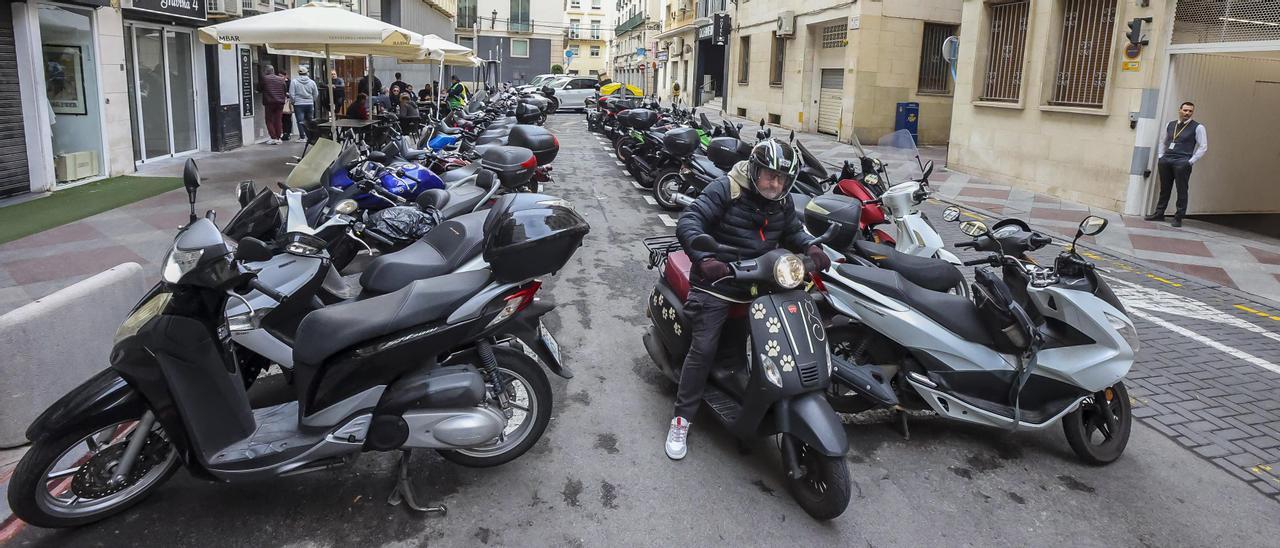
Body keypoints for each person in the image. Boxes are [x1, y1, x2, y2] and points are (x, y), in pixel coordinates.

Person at [664, 139, 830, 460]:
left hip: (762, 283)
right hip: (719, 281)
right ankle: (682, 418)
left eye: (782, 178)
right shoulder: (727, 188)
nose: (775, 183)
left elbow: (793, 231)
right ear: (755, 170)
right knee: (705, 347)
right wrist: (704, 258)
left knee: (781, 342)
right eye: (770, 175)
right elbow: (690, 220)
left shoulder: (781, 200)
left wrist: (811, 247)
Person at [1145, 101, 1208, 228]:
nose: (1187, 113)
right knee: (1165, 188)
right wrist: (1161, 157)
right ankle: (1159, 213)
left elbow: (1203, 146)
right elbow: (1163, 141)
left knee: (1182, 189)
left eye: (1190, 111)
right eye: (1185, 110)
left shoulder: (1198, 127)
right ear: (1180, 110)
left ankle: (1178, 217)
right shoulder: (1170, 124)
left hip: (1182, 161)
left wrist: (1190, 161)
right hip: (1166, 159)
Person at [258, 64, 289, 144]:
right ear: (273, 71)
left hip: (269, 102)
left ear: (266, 71)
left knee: (269, 120)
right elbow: (284, 89)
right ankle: (279, 138)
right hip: (280, 102)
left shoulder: (264, 78)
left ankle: (273, 137)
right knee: (278, 120)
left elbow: (259, 88)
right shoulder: (281, 79)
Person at [289, 66, 319, 142]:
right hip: (309, 103)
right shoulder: (312, 82)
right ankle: (311, 136)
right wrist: (312, 100)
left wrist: (293, 102)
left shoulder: (294, 81)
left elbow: (291, 94)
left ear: (299, 73)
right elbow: (316, 93)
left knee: (300, 121)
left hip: (298, 103)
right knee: (310, 120)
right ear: (307, 73)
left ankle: (302, 137)